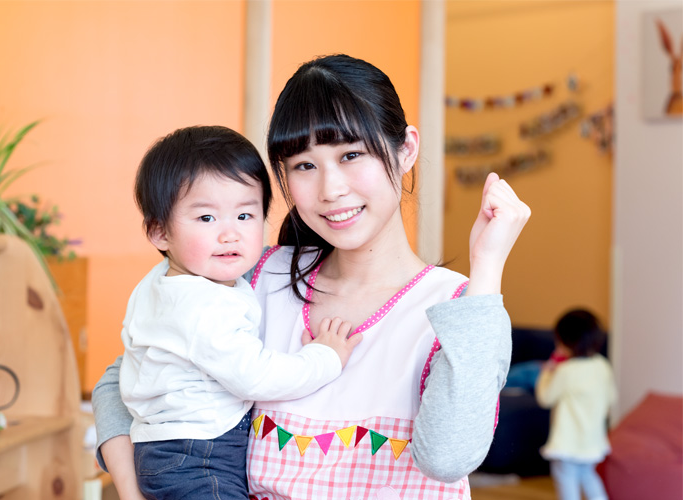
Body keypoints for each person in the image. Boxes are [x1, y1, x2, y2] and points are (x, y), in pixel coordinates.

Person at [93, 54, 531, 500]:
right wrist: (131, 492)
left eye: (351, 154)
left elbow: (448, 458)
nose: (330, 189)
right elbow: (121, 380)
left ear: (406, 150)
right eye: (304, 165)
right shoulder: (250, 276)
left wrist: (487, 266)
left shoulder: (457, 310)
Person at [118, 125, 361, 500]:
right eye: (206, 219)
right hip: (198, 457)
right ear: (159, 232)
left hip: (168, 450)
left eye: (245, 216)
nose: (229, 234)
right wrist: (324, 357)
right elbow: (255, 376)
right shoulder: (202, 306)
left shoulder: (162, 283)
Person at [536, 309, 616, 500]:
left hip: (567, 445)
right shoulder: (602, 366)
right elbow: (611, 398)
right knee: (588, 476)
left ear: (564, 342)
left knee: (566, 481)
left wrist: (547, 372)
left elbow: (544, 398)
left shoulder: (565, 371)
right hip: (592, 442)